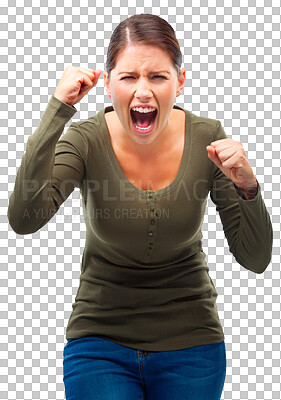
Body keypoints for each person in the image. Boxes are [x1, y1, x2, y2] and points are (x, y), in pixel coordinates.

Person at [7, 13, 273, 400]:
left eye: (158, 77)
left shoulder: (208, 139)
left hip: (192, 341)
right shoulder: (85, 139)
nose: (143, 91)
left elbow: (256, 258)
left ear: (180, 83)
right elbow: (24, 219)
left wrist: (248, 186)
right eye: (129, 77)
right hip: (99, 340)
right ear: (109, 83)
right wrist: (57, 110)